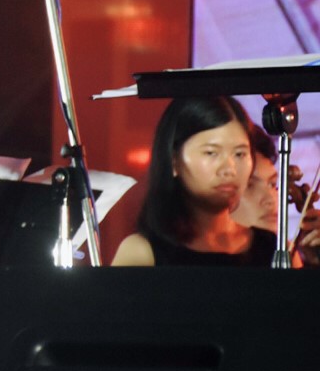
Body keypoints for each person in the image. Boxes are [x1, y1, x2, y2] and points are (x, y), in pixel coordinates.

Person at [112, 96, 278, 266]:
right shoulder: (142, 251)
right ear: (174, 161)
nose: (230, 169)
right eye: (211, 153)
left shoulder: (275, 249)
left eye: (239, 154)